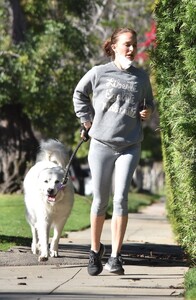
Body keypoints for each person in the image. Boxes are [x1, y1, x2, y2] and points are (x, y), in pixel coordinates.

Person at [73, 27, 154, 276]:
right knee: (100, 201)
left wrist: (147, 112)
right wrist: (87, 122)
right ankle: (95, 250)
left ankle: (116, 257)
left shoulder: (141, 78)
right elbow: (79, 94)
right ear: (115, 46)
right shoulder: (99, 72)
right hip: (101, 145)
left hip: (129, 145)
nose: (132, 49)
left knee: (121, 199)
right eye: (127, 44)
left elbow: (148, 103)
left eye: (134, 44)